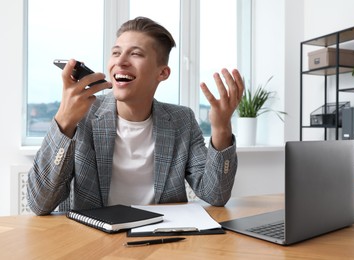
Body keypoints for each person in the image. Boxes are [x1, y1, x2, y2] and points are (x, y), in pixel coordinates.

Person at [27, 16, 244, 216]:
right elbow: (39, 203)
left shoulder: (182, 121)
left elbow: (216, 195)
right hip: (93, 245)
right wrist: (64, 122)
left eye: (135, 53)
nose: (120, 61)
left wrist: (222, 128)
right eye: (116, 52)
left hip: (161, 242)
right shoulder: (81, 114)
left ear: (163, 73)